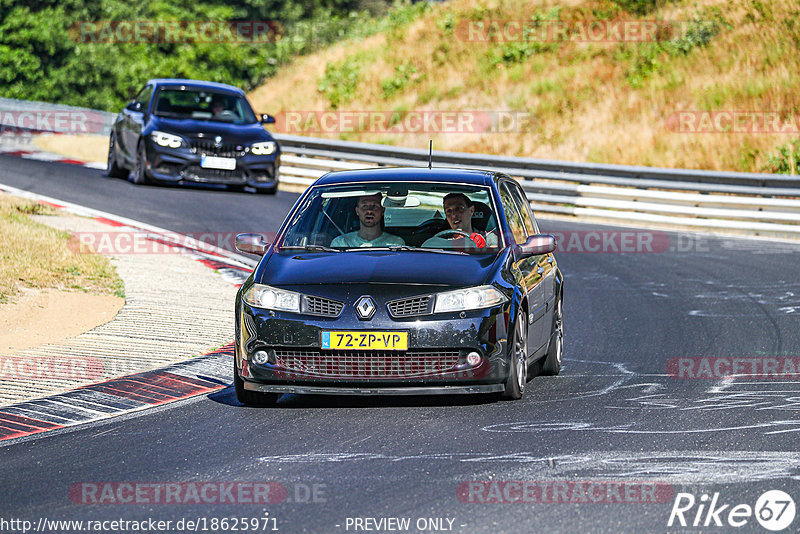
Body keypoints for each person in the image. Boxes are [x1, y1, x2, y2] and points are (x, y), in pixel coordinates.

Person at [423, 192, 498, 249]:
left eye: (459, 208)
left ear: (471, 211)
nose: (453, 215)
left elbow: (495, 256)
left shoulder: (488, 239)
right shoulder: (439, 242)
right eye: (449, 211)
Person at [331, 193, 405, 248]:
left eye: (374, 206)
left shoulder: (395, 244)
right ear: (357, 211)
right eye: (364, 206)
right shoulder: (341, 243)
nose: (369, 211)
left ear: (382, 211)